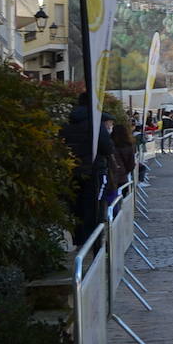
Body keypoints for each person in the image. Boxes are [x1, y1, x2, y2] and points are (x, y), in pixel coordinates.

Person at [59, 92, 115, 245]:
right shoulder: (95, 125)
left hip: (72, 172)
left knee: (76, 207)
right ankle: (94, 245)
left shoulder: (68, 124)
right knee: (95, 208)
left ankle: (79, 242)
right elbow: (108, 148)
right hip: (94, 171)